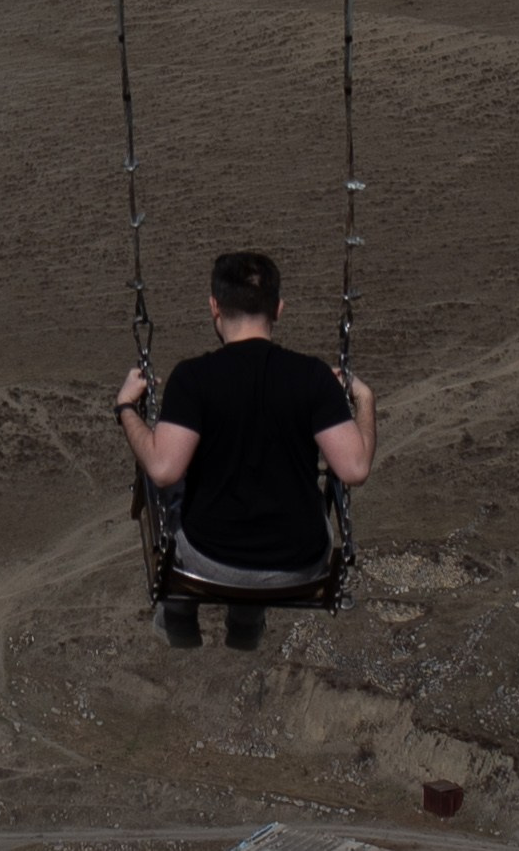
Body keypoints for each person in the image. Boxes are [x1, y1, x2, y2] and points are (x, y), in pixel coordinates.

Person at [116, 247, 376, 650]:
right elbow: (355, 468)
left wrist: (126, 408)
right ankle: (247, 621)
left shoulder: (193, 378)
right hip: (298, 564)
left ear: (214, 307)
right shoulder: (313, 378)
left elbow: (164, 469)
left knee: (165, 477)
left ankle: (179, 613)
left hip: (209, 559)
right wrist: (365, 401)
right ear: (279, 309)